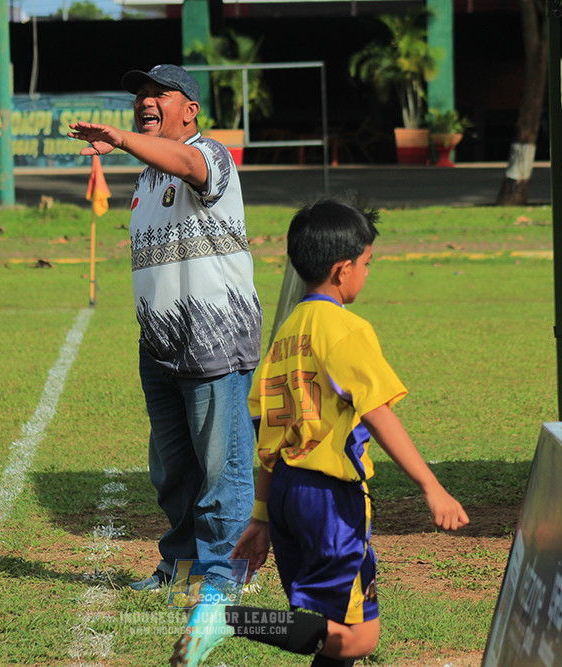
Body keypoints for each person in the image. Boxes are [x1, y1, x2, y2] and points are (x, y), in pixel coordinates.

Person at [169, 198, 470, 667]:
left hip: (287, 495)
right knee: (358, 639)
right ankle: (227, 618)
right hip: (330, 501)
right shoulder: (344, 329)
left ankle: (226, 618)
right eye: (367, 264)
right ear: (342, 269)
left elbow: (269, 442)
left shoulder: (286, 335)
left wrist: (261, 518)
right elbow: (378, 414)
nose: (367, 273)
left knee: (328, 629)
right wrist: (432, 487)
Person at [68, 65, 263, 591]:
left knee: (222, 468)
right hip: (160, 349)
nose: (145, 102)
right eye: (141, 95)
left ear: (190, 110)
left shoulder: (210, 155)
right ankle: (180, 568)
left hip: (213, 341)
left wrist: (122, 140)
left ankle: (224, 576)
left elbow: (188, 164)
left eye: (160, 94)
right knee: (174, 471)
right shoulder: (147, 177)